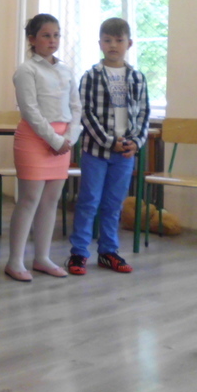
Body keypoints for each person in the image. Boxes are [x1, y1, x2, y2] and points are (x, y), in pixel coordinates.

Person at [66, 17, 150, 275]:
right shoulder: (91, 76)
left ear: (129, 43)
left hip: (125, 153)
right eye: (108, 40)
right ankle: (79, 253)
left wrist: (136, 142)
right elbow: (85, 113)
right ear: (100, 43)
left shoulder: (137, 77)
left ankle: (108, 251)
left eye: (119, 40)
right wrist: (109, 142)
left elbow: (143, 114)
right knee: (89, 201)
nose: (113, 45)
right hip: (96, 151)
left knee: (114, 204)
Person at [5, 13, 81, 282]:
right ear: (32, 39)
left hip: (63, 142)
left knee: (51, 200)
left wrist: (70, 137)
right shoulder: (26, 70)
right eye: (46, 35)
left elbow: (76, 107)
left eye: (56, 35)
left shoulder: (66, 70)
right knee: (29, 200)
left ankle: (42, 258)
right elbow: (30, 110)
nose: (52, 40)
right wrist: (55, 140)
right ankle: (15, 261)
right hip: (35, 139)